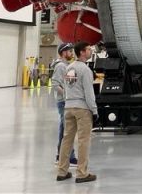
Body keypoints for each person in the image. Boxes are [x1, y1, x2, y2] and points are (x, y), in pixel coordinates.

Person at [56, 41, 98, 184]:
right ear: (82, 52)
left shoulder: (69, 68)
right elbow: (89, 92)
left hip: (68, 107)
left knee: (66, 139)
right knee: (83, 140)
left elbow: (66, 88)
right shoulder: (85, 70)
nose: (90, 51)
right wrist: (94, 111)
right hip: (82, 108)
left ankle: (62, 172)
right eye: (88, 49)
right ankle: (81, 173)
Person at [51, 43, 77, 167]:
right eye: (69, 51)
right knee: (67, 129)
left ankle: (62, 156)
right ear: (63, 52)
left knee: (66, 129)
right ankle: (66, 158)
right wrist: (67, 95)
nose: (71, 53)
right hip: (64, 102)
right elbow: (55, 85)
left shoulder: (67, 66)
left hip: (68, 101)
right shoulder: (61, 66)